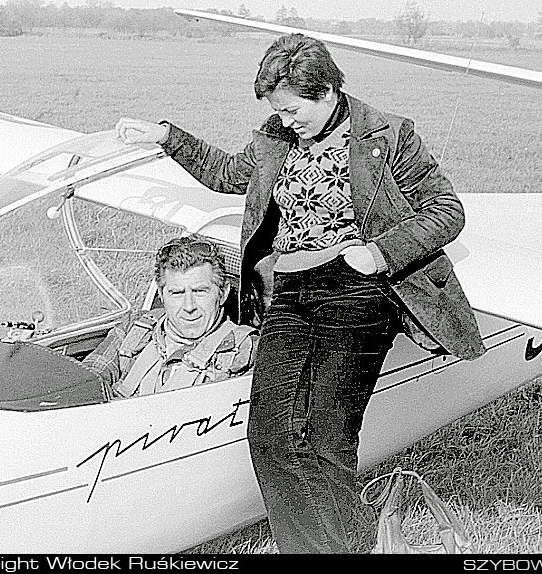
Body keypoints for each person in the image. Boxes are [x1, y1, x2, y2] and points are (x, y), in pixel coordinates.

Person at [114, 33, 485, 553]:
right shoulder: (276, 136)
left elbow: (447, 211)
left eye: (293, 111)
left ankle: (343, 547)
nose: (287, 122)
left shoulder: (389, 135)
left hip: (358, 290)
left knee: (325, 437)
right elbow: (228, 174)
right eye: (279, 112)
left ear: (328, 89)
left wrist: (378, 254)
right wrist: (165, 136)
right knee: (269, 435)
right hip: (287, 290)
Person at [83, 235, 257, 397]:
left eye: (199, 291)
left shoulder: (248, 350)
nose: (189, 307)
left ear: (223, 292)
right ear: (161, 294)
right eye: (177, 293)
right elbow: (86, 382)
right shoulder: (135, 328)